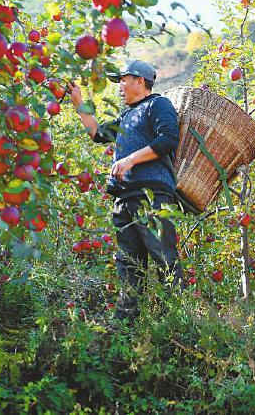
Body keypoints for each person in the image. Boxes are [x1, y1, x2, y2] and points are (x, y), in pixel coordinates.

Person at [69, 60, 182, 320]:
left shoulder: (158, 104)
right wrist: (78, 101)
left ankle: (177, 323)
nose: (120, 86)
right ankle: (126, 329)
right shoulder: (126, 117)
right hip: (124, 199)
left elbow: (167, 139)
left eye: (123, 80)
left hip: (151, 196)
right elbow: (97, 133)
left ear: (140, 81)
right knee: (129, 266)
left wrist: (130, 159)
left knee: (163, 258)